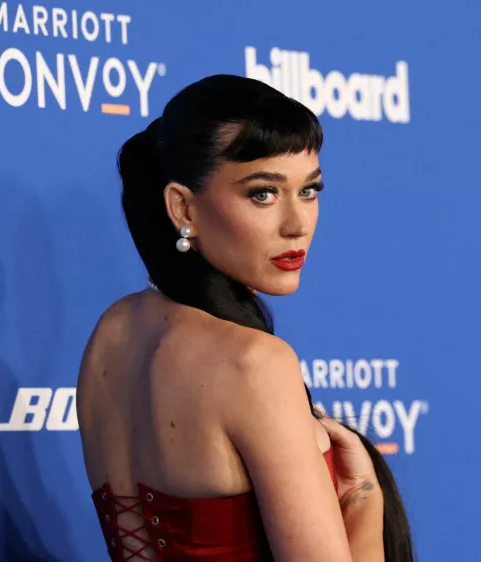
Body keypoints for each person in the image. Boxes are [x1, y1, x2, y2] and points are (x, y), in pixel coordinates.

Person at [76, 74, 414, 562]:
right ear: (183, 206)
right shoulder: (257, 364)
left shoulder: (111, 333)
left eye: (310, 190)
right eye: (263, 194)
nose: (297, 224)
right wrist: (362, 498)